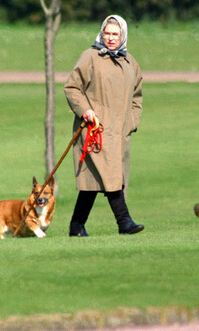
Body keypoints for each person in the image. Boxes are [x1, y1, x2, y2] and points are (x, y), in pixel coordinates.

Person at [64, 15, 144, 236]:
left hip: (120, 133)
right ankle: (124, 222)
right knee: (111, 176)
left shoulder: (131, 63)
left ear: (123, 36)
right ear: (101, 33)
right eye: (107, 33)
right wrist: (85, 111)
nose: (110, 38)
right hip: (94, 131)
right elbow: (72, 88)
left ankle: (76, 226)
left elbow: (137, 97)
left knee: (95, 182)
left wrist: (132, 122)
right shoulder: (89, 57)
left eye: (115, 34)